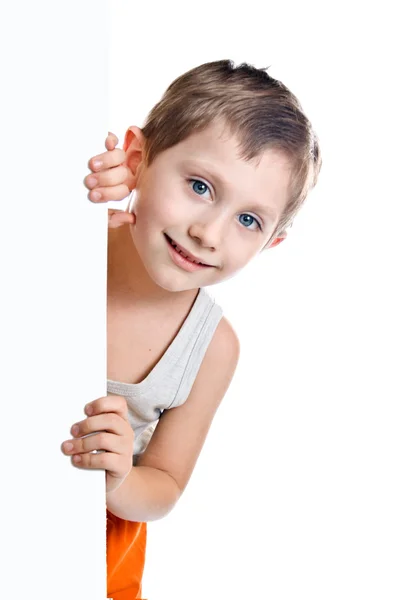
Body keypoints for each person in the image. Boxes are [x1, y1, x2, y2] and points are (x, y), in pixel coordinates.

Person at [61, 59, 321, 599]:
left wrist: (121, 480)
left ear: (270, 243)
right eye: (200, 186)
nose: (208, 233)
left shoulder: (213, 349)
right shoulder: (65, 235)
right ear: (137, 159)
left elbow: (167, 485)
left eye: (249, 220)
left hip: (84, 547)